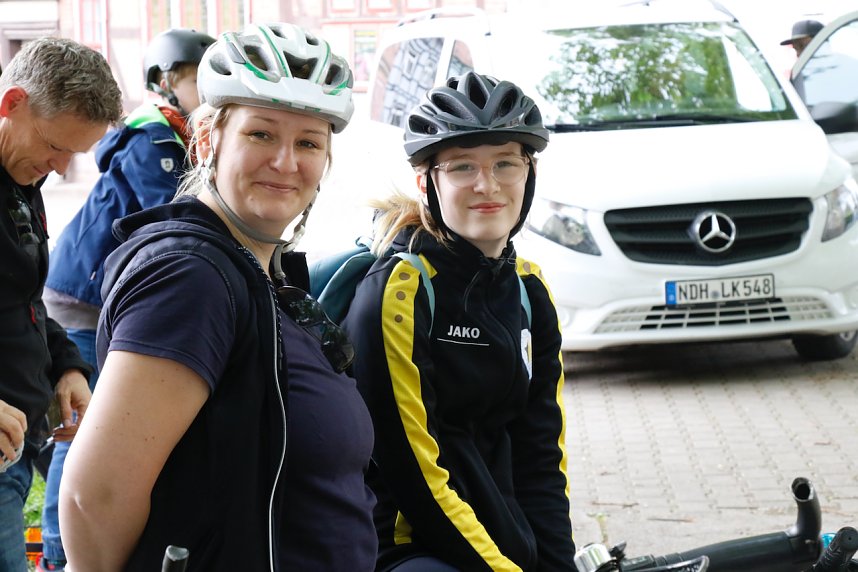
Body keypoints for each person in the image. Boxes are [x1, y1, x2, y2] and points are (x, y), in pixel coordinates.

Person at [59, 22, 377, 571]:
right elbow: (96, 499)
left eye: (308, 143)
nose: (286, 162)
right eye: (261, 134)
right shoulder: (190, 278)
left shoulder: (257, 268)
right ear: (208, 138)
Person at [343, 71, 576, 571]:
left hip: (498, 540)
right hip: (410, 547)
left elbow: (541, 458)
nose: (486, 184)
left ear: (528, 174)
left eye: (505, 164)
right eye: (462, 166)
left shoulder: (529, 291)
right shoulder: (401, 291)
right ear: (429, 183)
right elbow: (414, 473)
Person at [37, 27, 214, 572]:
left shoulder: (176, 132)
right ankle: (62, 551)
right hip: (84, 296)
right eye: (195, 80)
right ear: (166, 81)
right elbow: (172, 208)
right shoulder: (153, 136)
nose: (204, 91)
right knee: (84, 425)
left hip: (99, 291)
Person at [0, 37, 123, 572]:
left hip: (19, 440)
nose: (59, 165)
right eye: (55, 145)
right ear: (12, 103)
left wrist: (65, 365)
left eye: (74, 154)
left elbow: (22, 298)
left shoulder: (22, 177)